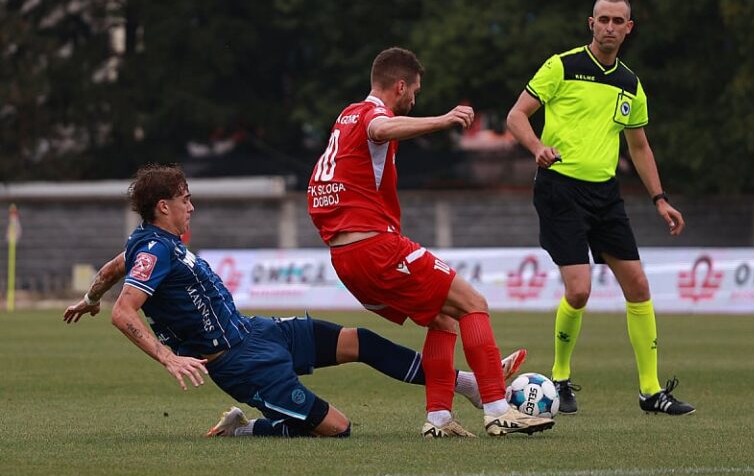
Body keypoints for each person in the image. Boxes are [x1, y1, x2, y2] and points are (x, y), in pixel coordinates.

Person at [63, 163, 529, 439]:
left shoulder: (149, 242)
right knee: (338, 428)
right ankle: (245, 429)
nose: (192, 207)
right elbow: (126, 312)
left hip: (258, 331)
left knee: (360, 341)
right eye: (185, 200)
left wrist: (88, 298)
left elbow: (111, 270)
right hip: (240, 365)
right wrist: (167, 357)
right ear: (163, 206)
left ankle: (465, 384)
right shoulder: (154, 247)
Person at [307, 47, 555, 437]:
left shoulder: (345, 116)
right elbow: (381, 129)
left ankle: (439, 418)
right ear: (400, 86)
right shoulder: (374, 115)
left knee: (442, 318)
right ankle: (497, 408)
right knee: (473, 303)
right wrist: (443, 120)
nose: (414, 100)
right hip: (375, 248)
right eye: (414, 92)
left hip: (345, 259)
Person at [506, 0, 694, 415]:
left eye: (618, 21)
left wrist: (660, 200)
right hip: (560, 190)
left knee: (640, 287)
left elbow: (640, 147)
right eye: (603, 19)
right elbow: (516, 116)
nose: (609, 27)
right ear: (591, 23)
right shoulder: (562, 66)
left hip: (605, 195)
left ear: (630, 28)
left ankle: (650, 392)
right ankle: (558, 376)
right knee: (579, 290)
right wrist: (537, 146)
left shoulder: (630, 83)